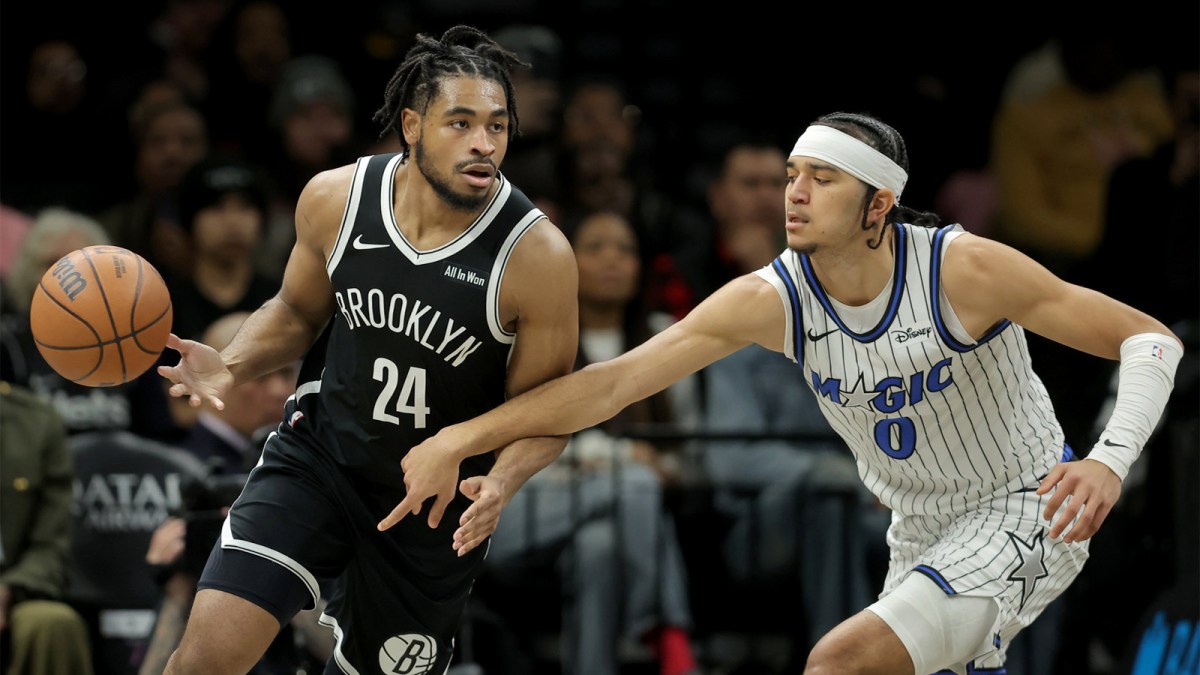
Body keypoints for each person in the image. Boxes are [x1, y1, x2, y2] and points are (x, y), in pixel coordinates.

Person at [389, 111, 1185, 674]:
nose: (794, 193)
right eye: (793, 175)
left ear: (878, 205)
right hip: (919, 528)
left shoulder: (962, 269)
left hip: (1026, 505)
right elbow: (613, 383)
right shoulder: (771, 299)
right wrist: (465, 437)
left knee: (838, 661)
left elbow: (1152, 339)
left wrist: (1109, 459)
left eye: (821, 178)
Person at [155, 25, 579, 675]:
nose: (483, 143)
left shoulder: (536, 254)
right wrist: (231, 362)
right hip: (320, 459)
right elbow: (297, 310)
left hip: (432, 507)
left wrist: (502, 479)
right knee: (205, 660)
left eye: (497, 126)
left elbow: (549, 411)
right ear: (411, 126)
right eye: (460, 123)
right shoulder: (337, 199)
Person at [484, 209, 699, 675]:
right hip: (524, 508)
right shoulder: (534, 336)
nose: (612, 259)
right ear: (567, 259)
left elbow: (692, 455)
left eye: (625, 249)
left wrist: (664, 468)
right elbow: (518, 433)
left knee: (598, 547)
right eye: (596, 247)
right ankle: (668, 635)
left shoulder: (664, 338)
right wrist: (619, 457)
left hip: (616, 518)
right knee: (635, 484)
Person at [0, 379, 94, 675]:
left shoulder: (35, 421)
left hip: (11, 587)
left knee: (53, 624)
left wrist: (9, 589)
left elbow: (51, 544)